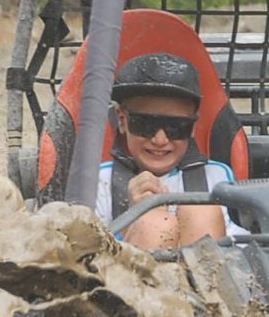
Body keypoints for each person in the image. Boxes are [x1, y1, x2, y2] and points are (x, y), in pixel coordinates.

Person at [96, 52, 243, 249]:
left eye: (176, 127)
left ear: (191, 127)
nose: (160, 140)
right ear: (122, 120)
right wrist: (128, 222)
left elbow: (241, 248)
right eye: (145, 124)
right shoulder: (100, 182)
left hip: (202, 271)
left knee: (202, 211)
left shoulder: (215, 178)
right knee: (154, 225)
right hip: (127, 276)